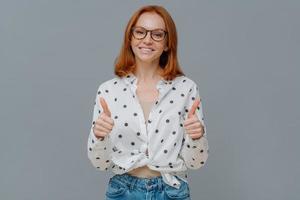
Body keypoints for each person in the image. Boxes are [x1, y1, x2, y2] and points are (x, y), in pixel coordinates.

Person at [87, 5, 209, 200]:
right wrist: (98, 136)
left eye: (157, 34)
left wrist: (197, 138)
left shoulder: (186, 88)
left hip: (171, 190)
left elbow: (195, 163)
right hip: (123, 190)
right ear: (130, 38)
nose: (147, 40)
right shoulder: (108, 91)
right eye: (140, 32)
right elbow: (100, 163)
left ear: (168, 43)